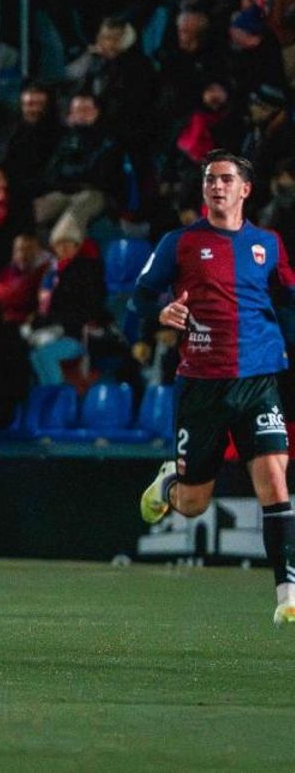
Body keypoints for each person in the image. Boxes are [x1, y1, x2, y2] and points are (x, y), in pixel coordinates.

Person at [129, 150, 295, 625]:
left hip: (259, 381)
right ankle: (170, 480)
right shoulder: (179, 243)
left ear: (246, 189)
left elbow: (288, 296)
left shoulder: (269, 244)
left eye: (225, 179)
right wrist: (159, 312)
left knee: (275, 481)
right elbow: (140, 296)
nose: (216, 187)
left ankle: (287, 594)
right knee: (193, 504)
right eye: (209, 180)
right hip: (202, 385)